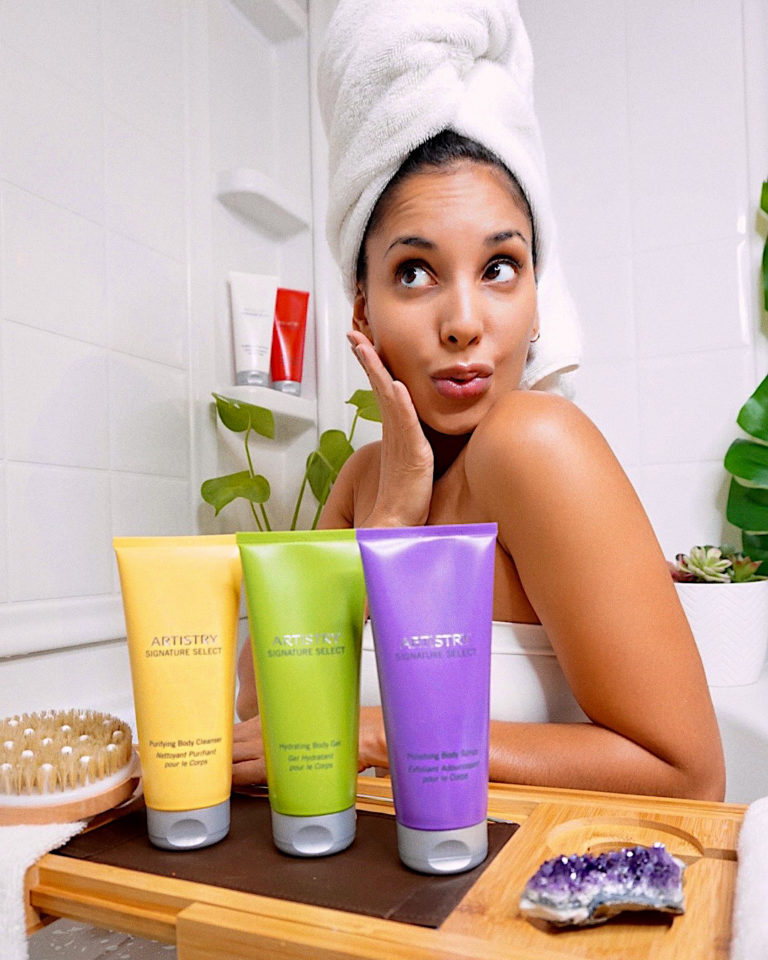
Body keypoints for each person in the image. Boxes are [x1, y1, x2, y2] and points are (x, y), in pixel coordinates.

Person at [233, 1, 725, 801]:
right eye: (415, 272)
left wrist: (380, 734)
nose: (464, 323)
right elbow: (261, 716)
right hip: (408, 901)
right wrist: (387, 523)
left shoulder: (532, 444)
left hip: (553, 898)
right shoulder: (363, 482)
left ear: (539, 292)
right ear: (362, 309)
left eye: (500, 267)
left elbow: (690, 775)